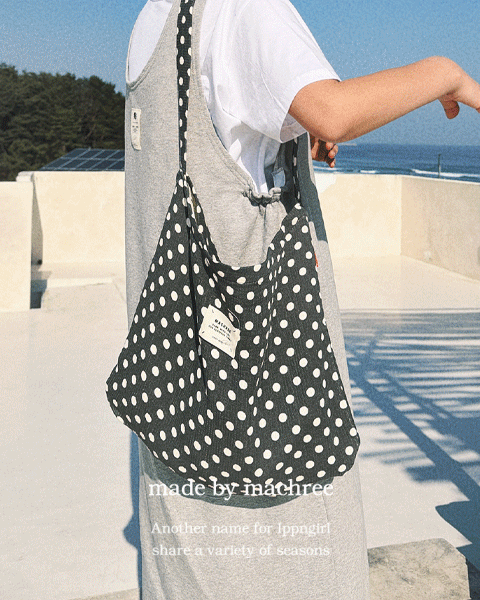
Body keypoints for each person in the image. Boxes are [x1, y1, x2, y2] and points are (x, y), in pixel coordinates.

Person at [124, 1, 480, 599]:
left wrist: (283, 138)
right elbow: (333, 112)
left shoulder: (156, 20)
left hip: (176, 382)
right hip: (261, 407)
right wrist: (446, 73)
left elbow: (208, 140)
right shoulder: (247, 7)